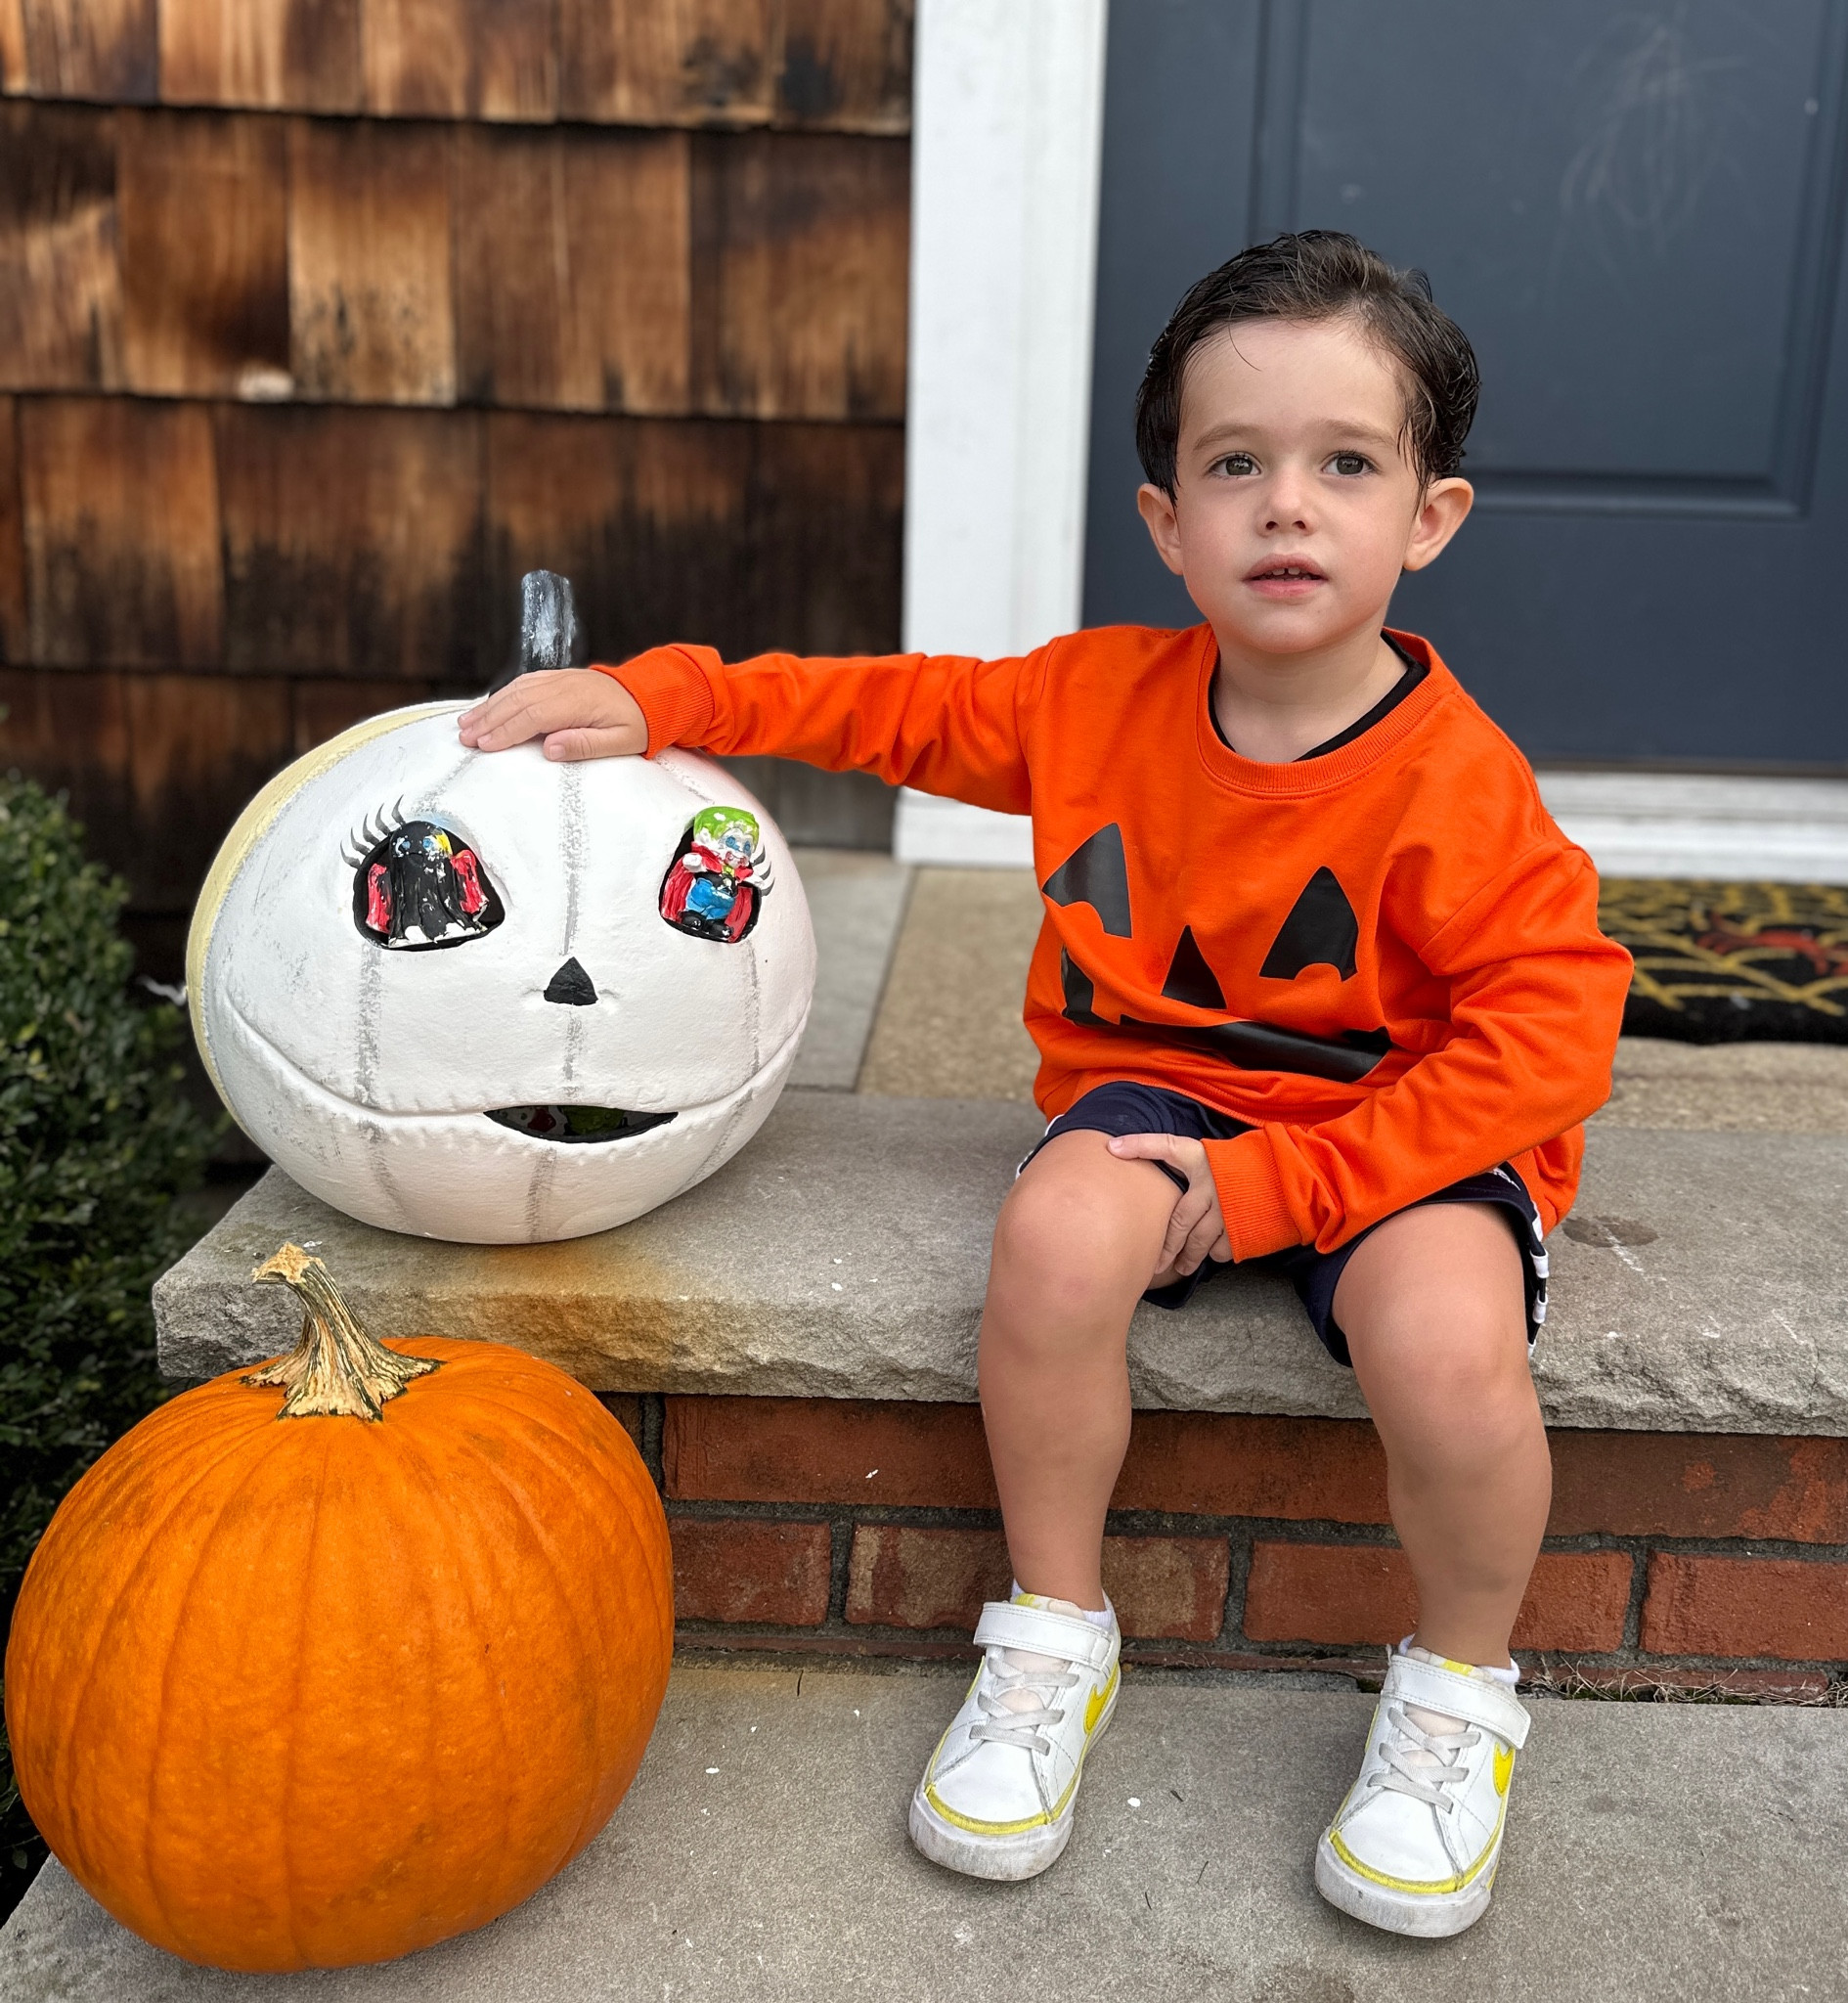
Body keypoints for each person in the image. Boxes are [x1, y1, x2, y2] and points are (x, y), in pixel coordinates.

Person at [458, 231, 1632, 1938]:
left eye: (1344, 466)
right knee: (1057, 1243)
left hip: (1408, 1121)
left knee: (1446, 1345)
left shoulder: (1461, 786)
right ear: (1167, 519)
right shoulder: (1096, 703)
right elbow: (886, 711)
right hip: (1160, 1092)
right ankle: (1051, 1634)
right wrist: (663, 697)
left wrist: (1275, 1193)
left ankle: (1458, 1690)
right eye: (1235, 466)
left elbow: (1548, 1039)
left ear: (1425, 519)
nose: (1285, 508)